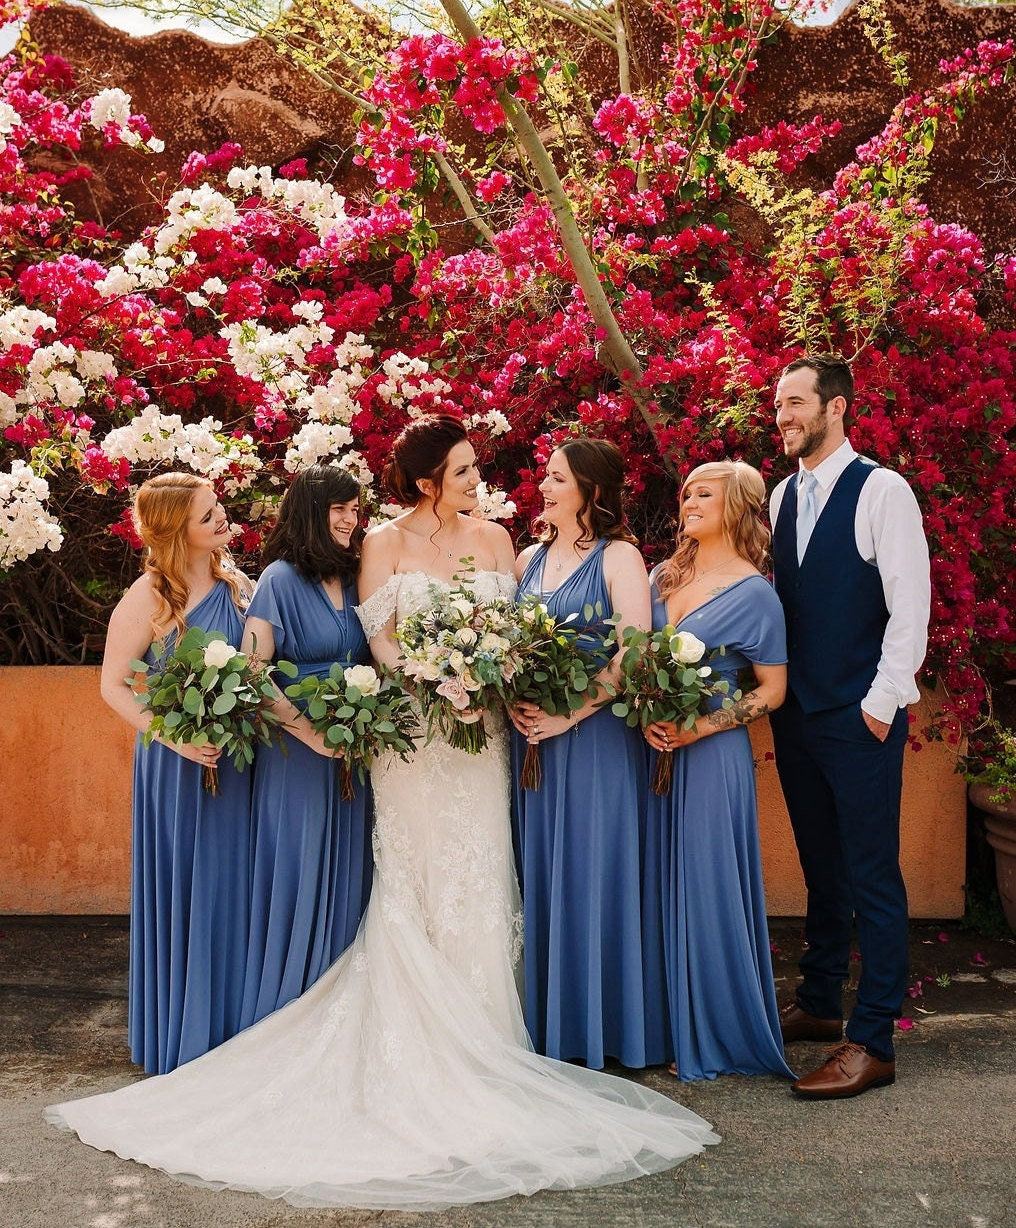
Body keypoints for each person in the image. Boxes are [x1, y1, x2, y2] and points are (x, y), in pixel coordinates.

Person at [46, 417, 717, 1210]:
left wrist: (486, 675)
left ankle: (489, 1036)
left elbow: (524, 631)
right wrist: (437, 676)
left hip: (485, 734)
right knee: (412, 874)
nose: (477, 480)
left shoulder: (507, 543)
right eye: (463, 470)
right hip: (412, 736)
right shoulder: (379, 546)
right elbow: (380, 643)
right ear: (430, 478)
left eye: (475, 469)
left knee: (482, 867)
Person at [769, 354, 930, 1099]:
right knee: (821, 863)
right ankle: (821, 999)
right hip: (799, 713)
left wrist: (881, 702)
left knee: (872, 873)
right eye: (778, 406)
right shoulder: (781, 497)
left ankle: (873, 1042)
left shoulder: (882, 490)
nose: (783, 416)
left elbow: (910, 606)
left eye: (796, 402)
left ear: (836, 408)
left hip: (859, 714)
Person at [511, 437, 666, 1069]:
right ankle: (550, 1027)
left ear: (592, 492)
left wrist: (565, 714)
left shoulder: (619, 556)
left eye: (557, 479)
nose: (544, 488)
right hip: (532, 749)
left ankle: (602, 1031)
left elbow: (633, 650)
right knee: (542, 876)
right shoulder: (527, 558)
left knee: (593, 874)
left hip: (596, 743)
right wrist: (511, 704)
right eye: (544, 477)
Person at [97, 472, 253, 1075]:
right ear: (174, 531)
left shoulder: (235, 581)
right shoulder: (148, 596)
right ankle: (185, 1037)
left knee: (236, 886)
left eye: (218, 508)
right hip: (178, 762)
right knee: (189, 887)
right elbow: (112, 684)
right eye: (207, 515)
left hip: (237, 760)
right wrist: (177, 738)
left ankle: (235, 1025)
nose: (222, 520)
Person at [642, 461, 793, 1082]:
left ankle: (712, 1031)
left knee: (706, 885)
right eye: (686, 492)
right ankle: (654, 1024)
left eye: (705, 493)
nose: (689, 500)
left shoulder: (756, 593)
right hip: (649, 751)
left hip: (710, 756)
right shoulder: (661, 575)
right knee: (652, 881)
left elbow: (773, 691)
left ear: (737, 507)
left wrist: (698, 727)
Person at [237, 465, 373, 1029]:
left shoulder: (358, 572)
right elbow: (251, 670)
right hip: (295, 753)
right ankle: (286, 1014)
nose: (351, 518)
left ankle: (339, 1013)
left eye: (354, 508)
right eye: (339, 509)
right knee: (300, 868)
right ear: (312, 514)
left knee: (350, 870)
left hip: (352, 747)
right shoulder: (278, 579)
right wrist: (306, 729)